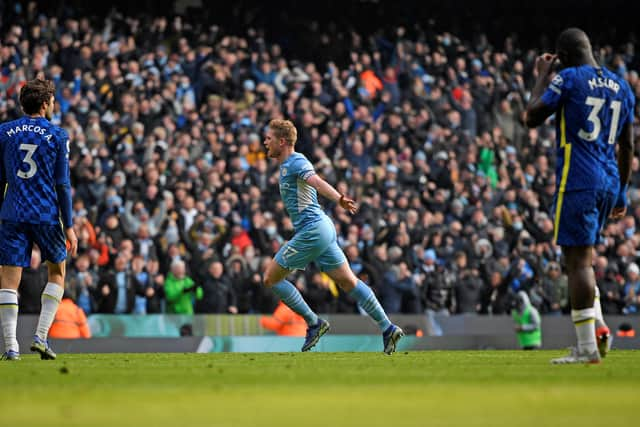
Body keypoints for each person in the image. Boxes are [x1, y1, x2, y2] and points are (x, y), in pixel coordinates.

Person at [525, 28, 635, 364]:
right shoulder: (622, 85)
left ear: (564, 57)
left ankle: (587, 348)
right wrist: (621, 193)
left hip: (579, 178)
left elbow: (530, 117)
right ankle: (598, 326)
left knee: (578, 263)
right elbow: (627, 145)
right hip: (608, 180)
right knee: (576, 260)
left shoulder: (569, 77)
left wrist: (543, 76)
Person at [262, 119, 403, 354]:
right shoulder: (286, 164)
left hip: (313, 230)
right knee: (348, 282)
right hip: (322, 229)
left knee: (271, 278)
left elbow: (316, 182)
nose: (265, 141)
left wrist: (339, 198)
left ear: (282, 141)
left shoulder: (296, 161)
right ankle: (387, 327)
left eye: (269, 138)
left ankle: (313, 322)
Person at [0, 78, 78, 361]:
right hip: (46, 215)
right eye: (53, 101)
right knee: (57, 272)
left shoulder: (4, 132)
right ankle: (41, 337)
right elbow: (62, 184)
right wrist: (69, 226)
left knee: (8, 280)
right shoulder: (57, 135)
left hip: (13, 214)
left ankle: (11, 347)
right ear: (45, 104)